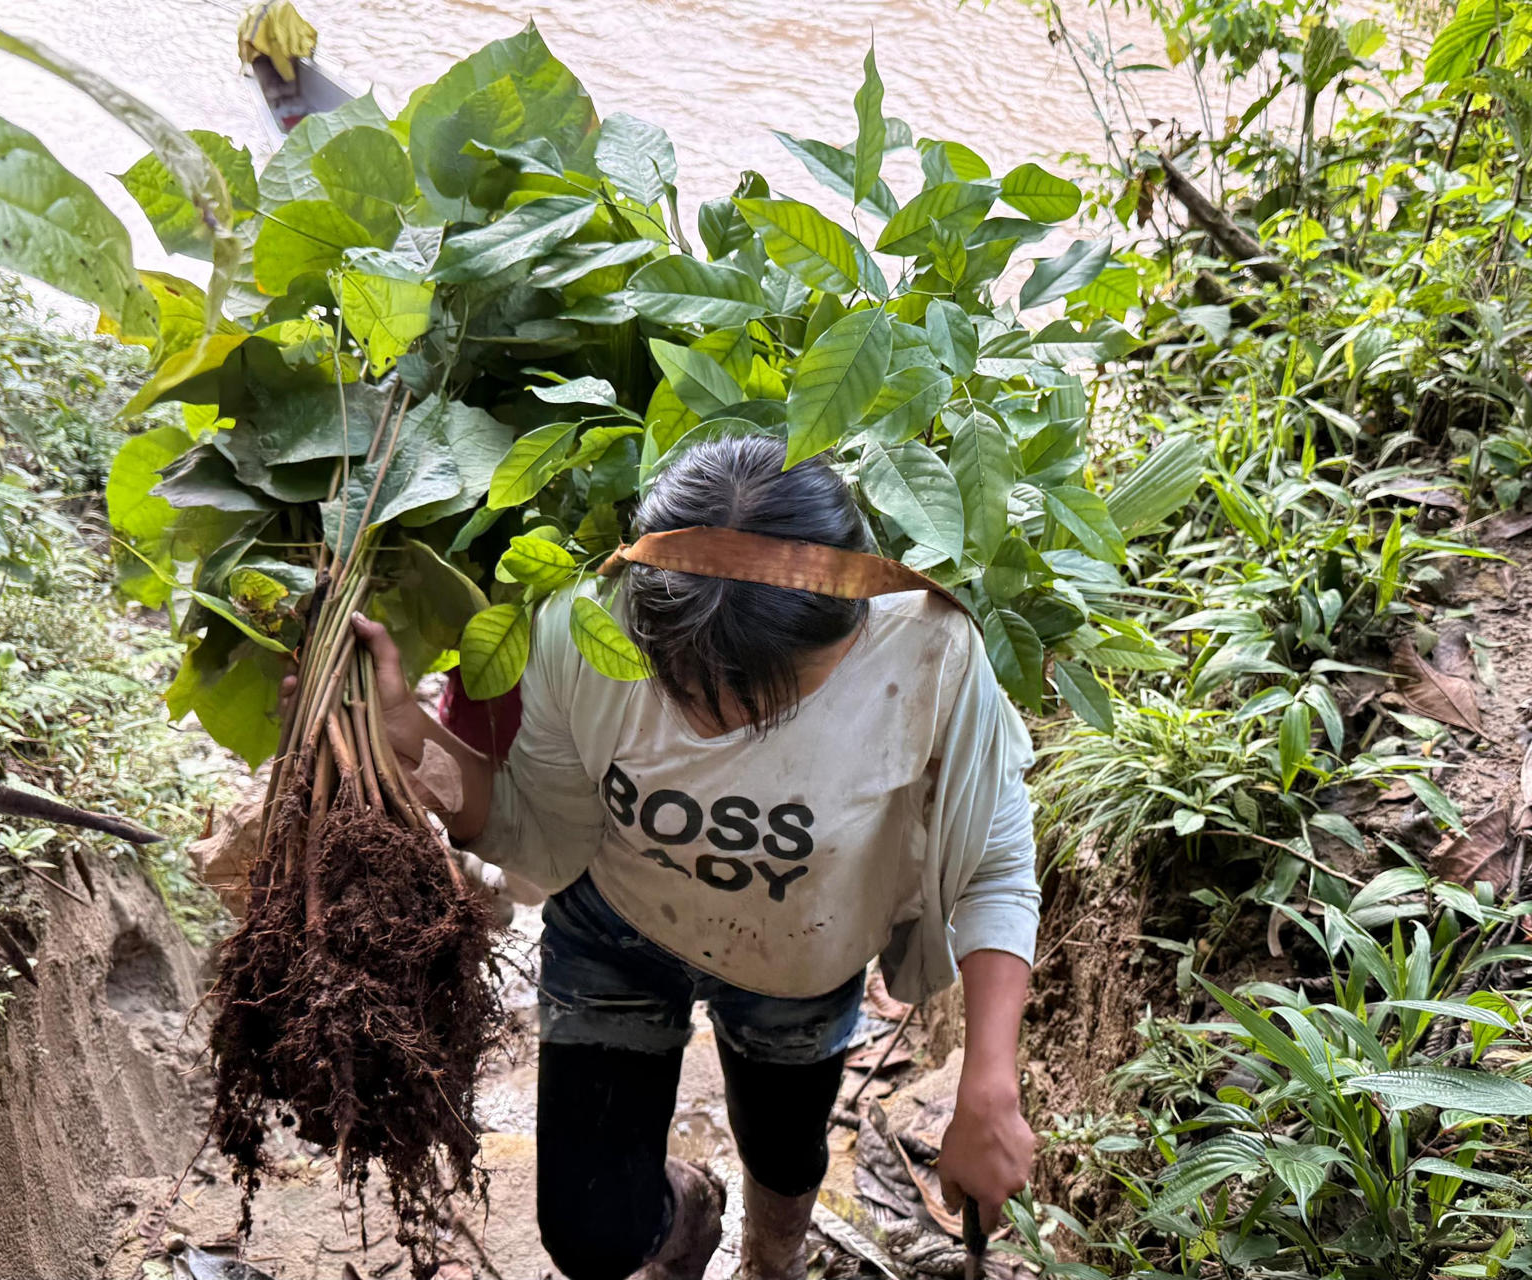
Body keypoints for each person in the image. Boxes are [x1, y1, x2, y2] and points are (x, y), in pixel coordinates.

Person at [351, 435, 1041, 1280]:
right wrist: (408, 741)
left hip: (800, 962)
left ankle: (770, 1257)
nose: (718, 720)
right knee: (592, 1236)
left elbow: (996, 867)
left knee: (786, 1158)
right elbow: (539, 830)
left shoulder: (930, 656)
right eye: (686, 685)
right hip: (616, 929)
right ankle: (688, 1222)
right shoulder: (585, 627)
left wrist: (988, 1082)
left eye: (759, 697)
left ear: (850, 629)